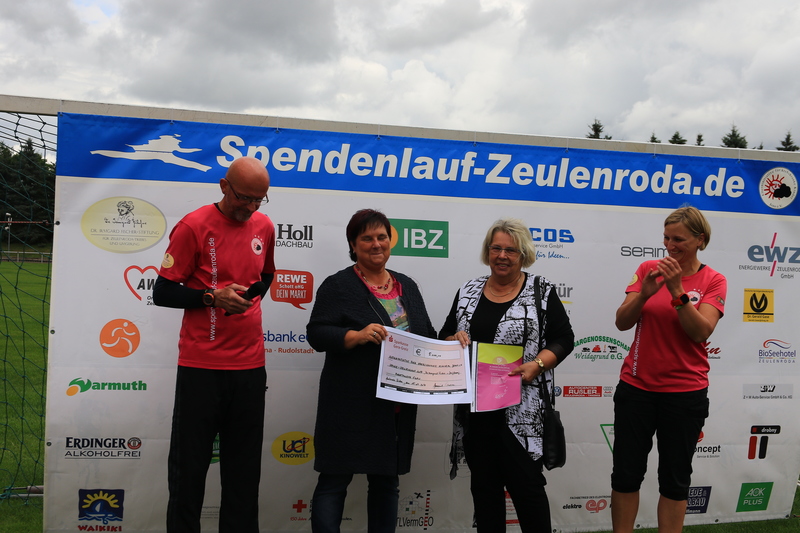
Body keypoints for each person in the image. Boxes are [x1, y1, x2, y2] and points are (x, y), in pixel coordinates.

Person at [153, 156, 275, 533]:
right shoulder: (193, 225)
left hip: (250, 368)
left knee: (243, 476)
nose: (250, 207)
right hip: (201, 368)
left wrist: (249, 297)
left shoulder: (265, 226)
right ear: (224, 186)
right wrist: (212, 297)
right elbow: (162, 292)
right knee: (188, 472)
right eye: (244, 197)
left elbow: (267, 275)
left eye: (258, 199)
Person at [439, 217, 574, 533]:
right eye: (496, 248)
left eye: (510, 250)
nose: (502, 255)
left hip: (522, 414)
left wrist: (538, 364)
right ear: (487, 251)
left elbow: (564, 338)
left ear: (523, 254)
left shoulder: (541, 291)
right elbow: (445, 333)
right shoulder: (468, 291)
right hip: (476, 413)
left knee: (528, 492)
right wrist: (452, 338)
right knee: (485, 495)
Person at [306, 209, 436, 533]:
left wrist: (449, 343)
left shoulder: (407, 285)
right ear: (353, 244)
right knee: (334, 481)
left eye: (382, 237)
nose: (376, 244)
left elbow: (426, 335)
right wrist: (356, 335)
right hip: (348, 404)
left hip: (394, 407)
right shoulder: (338, 285)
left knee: (386, 483)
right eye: (367, 238)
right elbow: (317, 333)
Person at [611, 206, 726, 533]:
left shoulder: (714, 280)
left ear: (699, 240)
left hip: (685, 394)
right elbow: (621, 322)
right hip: (636, 389)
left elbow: (700, 332)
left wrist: (677, 291)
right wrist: (644, 295)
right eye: (666, 238)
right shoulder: (649, 269)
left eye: (679, 239)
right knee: (626, 475)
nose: (670, 245)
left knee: (675, 480)